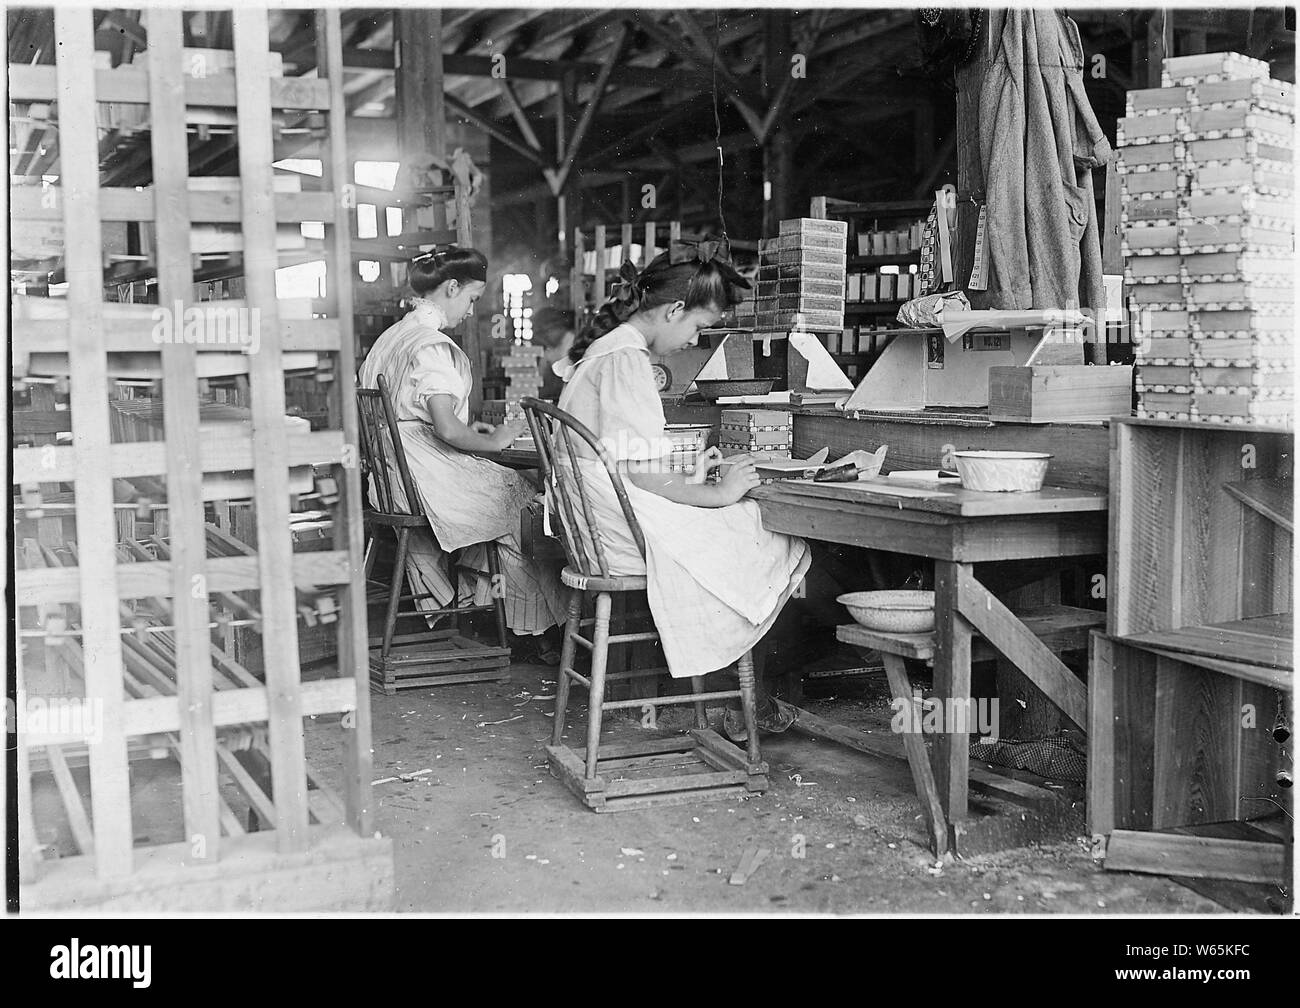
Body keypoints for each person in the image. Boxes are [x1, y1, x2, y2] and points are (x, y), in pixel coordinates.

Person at [552, 243, 810, 737]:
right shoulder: (626, 360)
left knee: (736, 528)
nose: (694, 339)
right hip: (613, 528)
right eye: (696, 328)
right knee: (765, 528)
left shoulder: (601, 352)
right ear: (673, 310)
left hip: (592, 521)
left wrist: (705, 476)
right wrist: (718, 492)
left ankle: (735, 690)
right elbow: (646, 474)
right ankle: (740, 693)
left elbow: (633, 459)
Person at [359, 247, 566, 664]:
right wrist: (497, 440)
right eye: (471, 298)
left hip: (392, 474)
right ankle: (538, 630)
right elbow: (447, 429)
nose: (471, 311)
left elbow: (417, 418)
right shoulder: (430, 346)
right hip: (422, 479)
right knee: (525, 502)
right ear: (451, 288)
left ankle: (504, 615)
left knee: (510, 495)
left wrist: (474, 433)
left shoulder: (392, 338)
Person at [530, 306, 575, 401]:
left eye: (546, 332)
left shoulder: (572, 342)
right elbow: (540, 377)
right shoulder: (551, 348)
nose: (545, 338)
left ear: (558, 327)